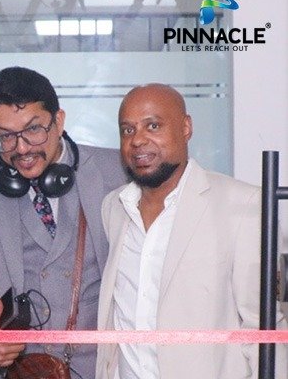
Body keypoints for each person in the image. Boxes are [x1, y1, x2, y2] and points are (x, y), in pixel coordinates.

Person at [0, 66, 127, 379]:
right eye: (6, 136)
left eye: (34, 129)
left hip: (97, 370)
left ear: (59, 121)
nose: (22, 148)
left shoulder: (116, 171)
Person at [95, 84, 288, 379]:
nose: (138, 140)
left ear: (186, 128)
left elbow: (265, 327)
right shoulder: (114, 207)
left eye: (153, 125)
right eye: (128, 130)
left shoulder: (244, 205)